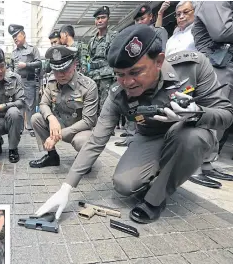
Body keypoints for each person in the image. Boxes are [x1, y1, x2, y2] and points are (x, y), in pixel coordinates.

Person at [35, 24, 233, 224]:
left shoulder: (193, 66)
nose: (127, 82)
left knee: (192, 139)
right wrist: (66, 188)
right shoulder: (117, 95)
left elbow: (226, 114)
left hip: (188, 132)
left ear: (159, 61)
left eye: (135, 72)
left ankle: (155, 200)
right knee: (124, 185)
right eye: (120, 75)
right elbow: (96, 140)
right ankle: (162, 171)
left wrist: (196, 113)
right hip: (150, 137)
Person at [29, 45, 98, 169]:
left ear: (74, 65)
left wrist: (56, 135)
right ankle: (52, 156)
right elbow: (44, 104)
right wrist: (51, 118)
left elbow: (89, 121)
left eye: (65, 69)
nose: (60, 74)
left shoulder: (88, 86)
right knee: (36, 118)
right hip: (60, 124)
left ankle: (84, 158)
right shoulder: (52, 83)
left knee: (82, 142)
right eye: (56, 70)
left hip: (79, 130)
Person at [192, 1, 233, 182]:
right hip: (217, 62)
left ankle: (206, 164)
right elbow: (222, 31)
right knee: (211, 115)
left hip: (223, 62)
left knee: (220, 120)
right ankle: (193, 167)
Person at [9, 24, 42, 137]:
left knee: (30, 105)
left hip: (29, 81)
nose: (15, 39)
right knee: (19, 105)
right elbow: (10, 67)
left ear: (23, 35)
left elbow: (39, 63)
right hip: (17, 83)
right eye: (13, 37)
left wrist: (26, 65)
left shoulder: (32, 49)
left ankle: (31, 127)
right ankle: (19, 127)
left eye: (16, 36)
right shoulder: (14, 53)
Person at [87, 6, 117, 115]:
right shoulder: (91, 41)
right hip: (93, 77)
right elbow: (89, 58)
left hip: (107, 77)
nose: (100, 20)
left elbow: (115, 56)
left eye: (103, 17)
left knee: (106, 104)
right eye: (97, 18)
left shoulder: (113, 37)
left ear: (108, 19)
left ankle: (107, 130)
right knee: (93, 104)